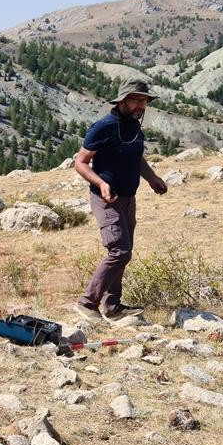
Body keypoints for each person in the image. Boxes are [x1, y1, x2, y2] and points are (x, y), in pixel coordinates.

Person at [73, 79, 168, 320]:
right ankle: (87, 303)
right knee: (120, 251)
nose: (141, 105)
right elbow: (80, 162)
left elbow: (136, 159)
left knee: (124, 251)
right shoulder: (103, 127)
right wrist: (101, 183)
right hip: (106, 199)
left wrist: (151, 178)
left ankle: (113, 307)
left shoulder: (135, 128)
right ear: (122, 100)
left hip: (128, 198)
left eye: (145, 100)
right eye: (136, 99)